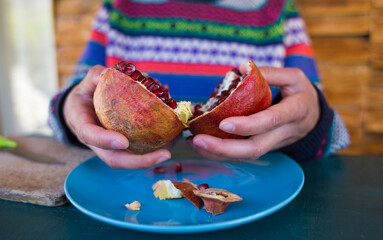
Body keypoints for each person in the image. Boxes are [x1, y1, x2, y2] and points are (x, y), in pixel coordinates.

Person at [49, 0, 349, 169]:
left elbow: (334, 136)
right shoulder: (117, 11)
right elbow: (74, 102)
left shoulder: (278, 15)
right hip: (124, 198)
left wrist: (313, 122)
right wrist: (70, 114)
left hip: (256, 192)